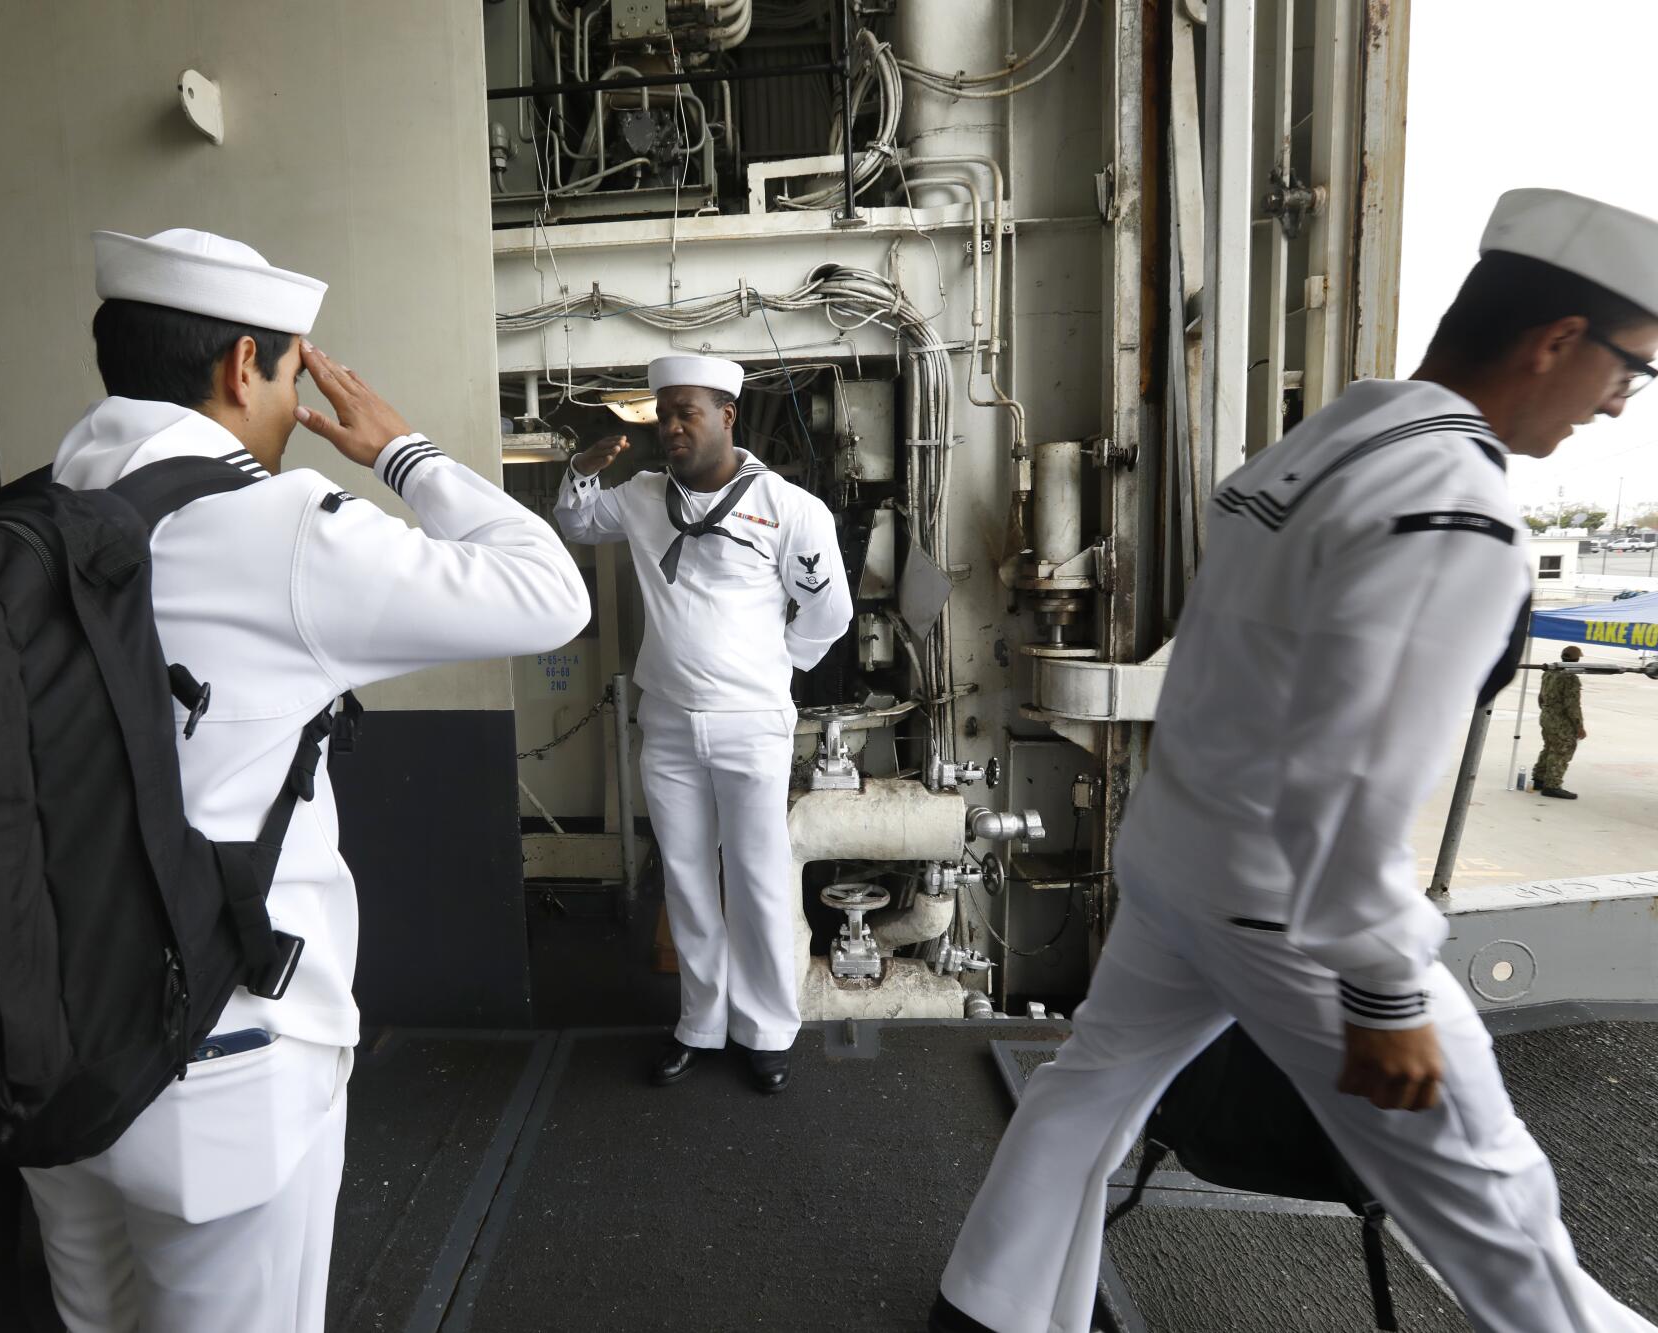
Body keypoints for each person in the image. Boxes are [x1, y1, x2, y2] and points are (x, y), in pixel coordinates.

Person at [930, 188, 1658, 1333]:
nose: (1618, 401)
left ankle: (989, 1310)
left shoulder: (1348, 428)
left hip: (1181, 860)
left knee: (1088, 1092)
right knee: (1499, 1211)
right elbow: (1351, 782)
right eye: (1629, 367)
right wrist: (1380, 989)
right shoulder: (1454, 511)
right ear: (1554, 340)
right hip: (1298, 911)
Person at [18, 228, 589, 1333]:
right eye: (288, 373)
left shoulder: (36, 509)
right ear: (244, 365)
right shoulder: (277, 531)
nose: (291, 404)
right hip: (219, 1060)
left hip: (47, 1038)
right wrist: (402, 451)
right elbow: (547, 592)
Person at [555, 354, 851, 1095]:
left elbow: (829, 612)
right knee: (685, 880)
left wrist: (774, 667)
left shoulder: (790, 508)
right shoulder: (644, 496)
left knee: (757, 880)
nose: (672, 426)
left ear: (728, 415)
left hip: (753, 724)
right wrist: (580, 467)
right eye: (664, 413)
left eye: (687, 411)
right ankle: (700, 1022)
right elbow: (575, 520)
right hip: (671, 725)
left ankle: (768, 1030)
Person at [1535, 644, 1587, 798]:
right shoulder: (1570, 678)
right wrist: (1579, 726)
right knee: (1562, 750)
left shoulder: (1549, 672)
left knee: (1549, 746)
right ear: (1577, 659)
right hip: (1560, 720)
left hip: (1546, 715)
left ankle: (1539, 778)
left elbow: (1541, 697)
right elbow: (1572, 706)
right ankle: (1552, 785)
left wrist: (1547, 712)